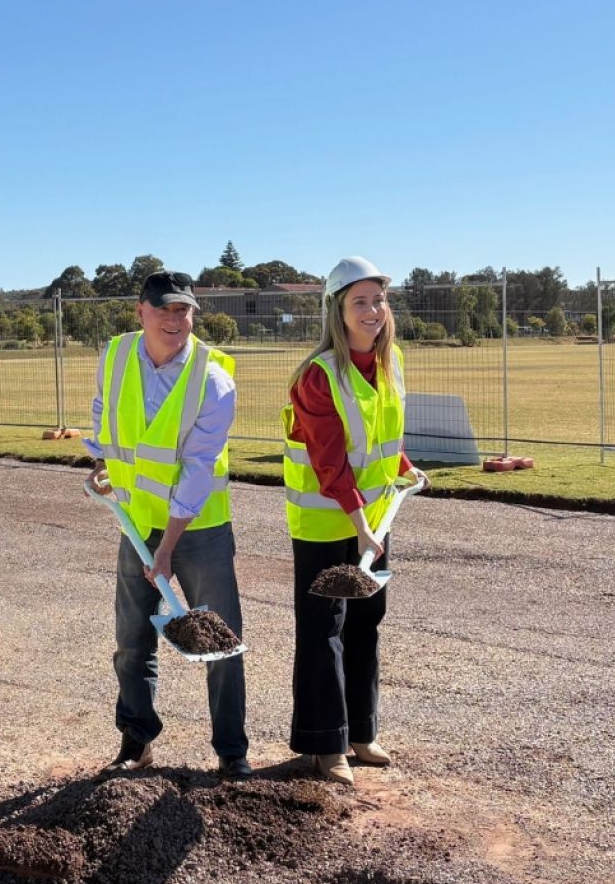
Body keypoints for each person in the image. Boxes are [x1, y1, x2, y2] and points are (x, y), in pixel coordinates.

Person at [83, 270, 250, 780]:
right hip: (136, 523)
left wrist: (165, 548)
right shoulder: (114, 357)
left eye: (184, 310)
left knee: (219, 639)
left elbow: (199, 469)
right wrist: (100, 462)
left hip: (197, 530)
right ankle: (137, 741)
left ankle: (231, 752)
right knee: (132, 641)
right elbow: (103, 415)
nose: (175, 319)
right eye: (164, 309)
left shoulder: (212, 378)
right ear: (141, 311)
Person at [282, 257, 427, 785]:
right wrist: (359, 521)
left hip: (374, 516)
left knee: (367, 621)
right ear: (337, 311)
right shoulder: (318, 376)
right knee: (325, 629)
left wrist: (406, 469)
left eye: (378, 300)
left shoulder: (391, 363)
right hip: (326, 522)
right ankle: (326, 746)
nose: (372, 311)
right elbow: (328, 459)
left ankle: (361, 733)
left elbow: (385, 436)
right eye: (359, 302)